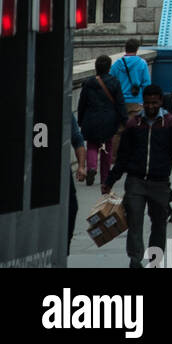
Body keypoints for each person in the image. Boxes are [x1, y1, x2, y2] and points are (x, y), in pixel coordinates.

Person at [107, 85, 172, 270]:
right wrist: (111, 180)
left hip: (160, 183)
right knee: (134, 221)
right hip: (135, 181)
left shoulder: (171, 123)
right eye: (147, 103)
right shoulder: (133, 124)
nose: (151, 106)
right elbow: (123, 156)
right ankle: (135, 261)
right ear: (142, 103)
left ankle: (155, 260)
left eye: (154, 103)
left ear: (161, 102)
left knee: (159, 224)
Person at [77, 54, 125, 188]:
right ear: (109, 68)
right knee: (107, 148)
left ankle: (92, 167)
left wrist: (80, 120)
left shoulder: (88, 83)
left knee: (92, 144)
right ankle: (105, 179)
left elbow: (82, 104)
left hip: (91, 118)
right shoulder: (114, 82)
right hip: (109, 120)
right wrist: (124, 120)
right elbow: (120, 103)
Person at [113, 38, 151, 119]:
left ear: (125, 48)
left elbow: (111, 82)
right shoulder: (142, 63)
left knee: (121, 129)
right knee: (136, 128)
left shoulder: (117, 64)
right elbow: (146, 84)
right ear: (137, 49)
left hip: (120, 101)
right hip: (137, 100)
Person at [67, 111, 87, 255]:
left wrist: (81, 166)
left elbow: (77, 139)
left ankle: (65, 246)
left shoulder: (63, 109)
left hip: (60, 170)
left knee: (72, 207)